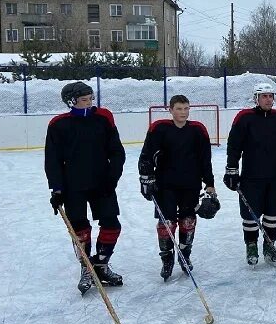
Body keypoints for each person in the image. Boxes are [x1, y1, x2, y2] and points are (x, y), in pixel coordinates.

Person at [45, 81, 126, 295]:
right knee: (79, 228)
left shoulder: (104, 118)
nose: (89, 103)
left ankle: (100, 264)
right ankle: (87, 268)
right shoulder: (58, 125)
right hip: (74, 186)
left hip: (102, 182)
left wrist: (112, 178)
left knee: (111, 224)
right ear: (71, 102)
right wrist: (57, 189)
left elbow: (117, 152)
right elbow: (52, 160)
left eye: (91, 99)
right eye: (84, 100)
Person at [138, 94, 216, 280]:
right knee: (167, 223)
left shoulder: (198, 130)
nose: (183, 112)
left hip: (190, 184)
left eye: (186, 108)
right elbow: (146, 155)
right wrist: (146, 178)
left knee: (188, 221)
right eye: (179, 109)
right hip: (165, 185)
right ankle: (167, 259)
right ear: (170, 110)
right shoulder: (159, 129)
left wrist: (210, 183)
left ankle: (184, 255)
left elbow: (205, 160)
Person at [224, 82, 276, 265]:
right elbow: (234, 146)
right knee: (250, 216)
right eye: (264, 96)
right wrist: (232, 169)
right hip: (251, 178)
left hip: (275, 177)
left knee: (273, 215)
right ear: (256, 98)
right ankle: (251, 245)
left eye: (270, 96)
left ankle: (269, 245)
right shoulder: (244, 117)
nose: (268, 99)